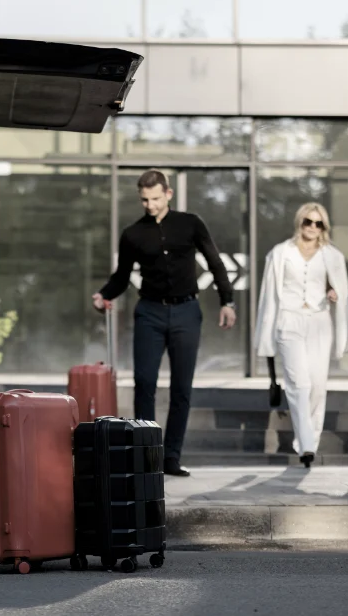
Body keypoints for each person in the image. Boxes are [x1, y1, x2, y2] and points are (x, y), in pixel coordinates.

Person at [92, 169, 236, 477]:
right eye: (145, 200)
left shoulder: (190, 223)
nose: (150, 205)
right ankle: (147, 458)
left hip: (186, 312)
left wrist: (227, 301)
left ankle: (171, 458)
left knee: (181, 388)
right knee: (144, 383)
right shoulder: (133, 234)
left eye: (156, 198)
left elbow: (215, 261)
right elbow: (121, 276)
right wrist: (103, 294)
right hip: (150, 313)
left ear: (168, 194)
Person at [252, 203, 348, 468]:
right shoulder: (280, 253)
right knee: (299, 384)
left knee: (317, 385)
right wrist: (265, 334)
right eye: (307, 222)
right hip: (288, 321)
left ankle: (310, 439)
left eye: (318, 223)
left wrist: (334, 293)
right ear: (299, 222)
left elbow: (341, 292)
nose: (312, 227)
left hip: (320, 322)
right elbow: (268, 295)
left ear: (324, 227)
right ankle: (306, 445)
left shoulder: (331, 255)